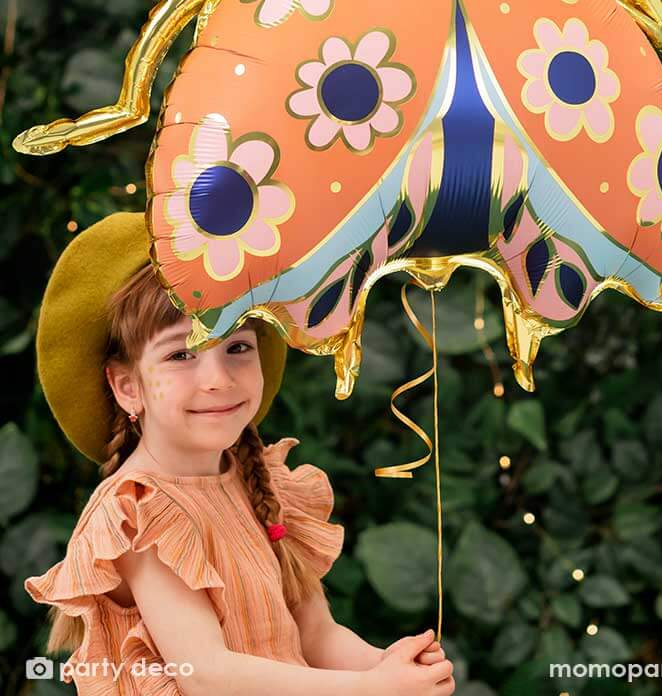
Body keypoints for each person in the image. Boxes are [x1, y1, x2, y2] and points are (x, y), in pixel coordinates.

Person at [24, 211, 455, 696]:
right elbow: (207, 673)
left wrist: (386, 669)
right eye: (180, 355)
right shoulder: (140, 512)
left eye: (237, 348)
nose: (218, 379)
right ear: (127, 387)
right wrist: (370, 689)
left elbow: (315, 635)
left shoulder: (262, 484)